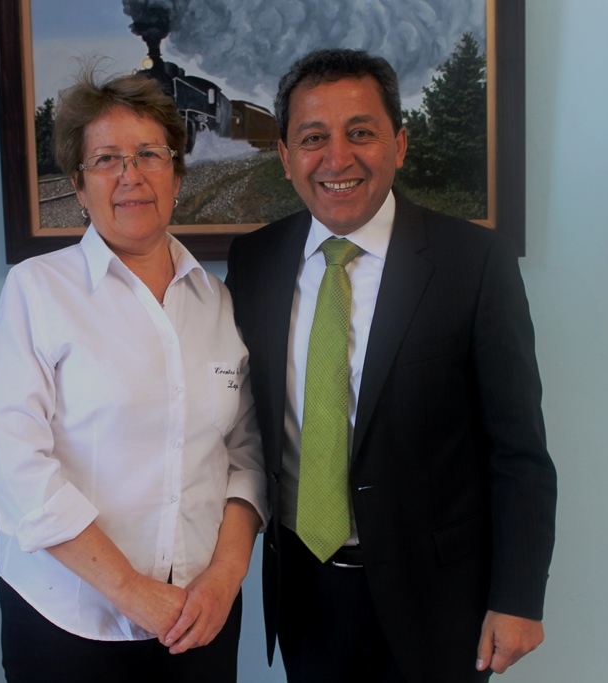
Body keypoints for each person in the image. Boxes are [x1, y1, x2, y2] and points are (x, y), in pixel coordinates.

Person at [225, 48, 557, 682]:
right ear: (286, 157)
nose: (337, 158)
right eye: (313, 138)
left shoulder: (474, 262)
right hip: (306, 592)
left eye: (361, 133)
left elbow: (518, 450)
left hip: (441, 601)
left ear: (399, 144)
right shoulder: (255, 262)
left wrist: (518, 597)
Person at [0, 67, 266, 682]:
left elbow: (246, 455)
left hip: (201, 618)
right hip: (68, 624)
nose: (130, 174)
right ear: (79, 187)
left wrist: (225, 578)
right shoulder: (36, 291)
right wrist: (133, 592)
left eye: (149, 155)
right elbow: (16, 470)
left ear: (177, 175)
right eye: (106, 159)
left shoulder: (217, 301)